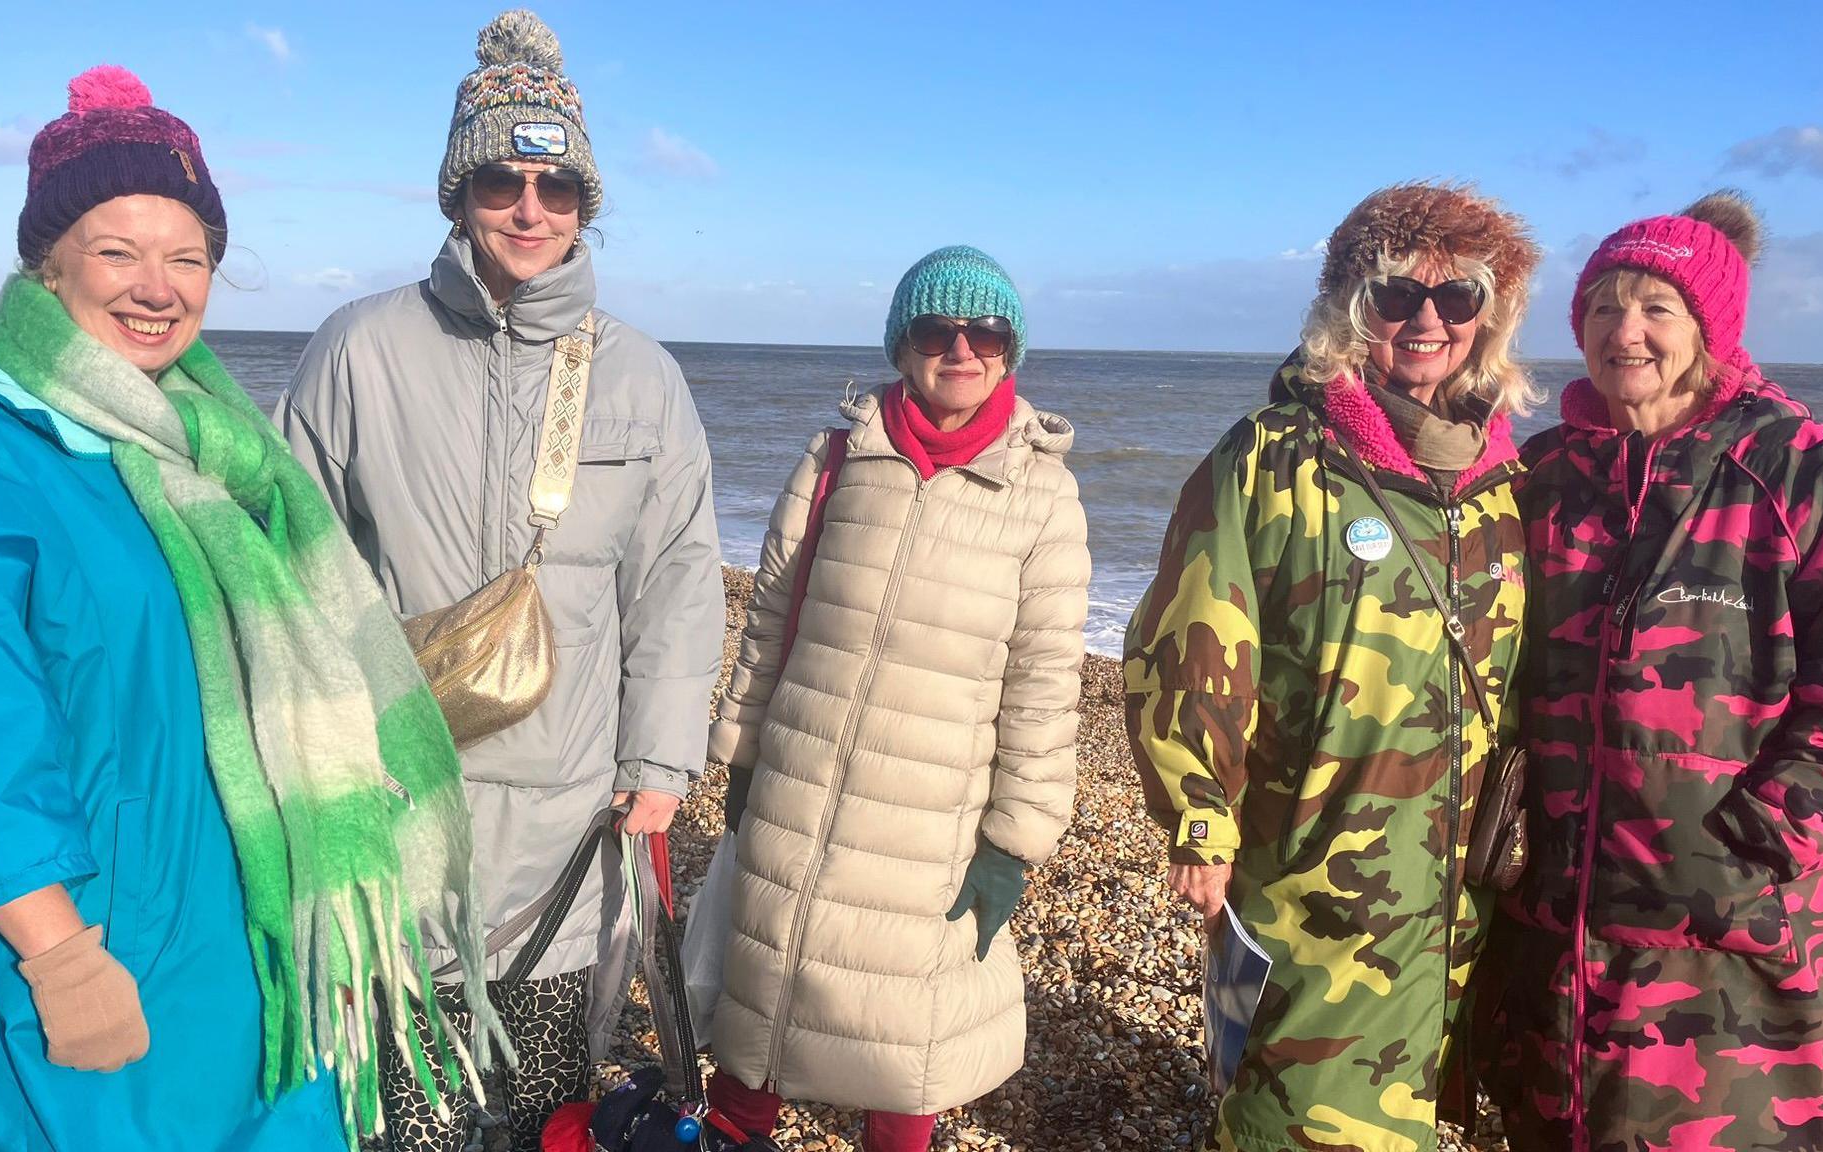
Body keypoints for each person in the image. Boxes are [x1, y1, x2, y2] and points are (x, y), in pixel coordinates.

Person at [0, 66, 496, 1151]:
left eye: (188, 257)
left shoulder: (206, 450)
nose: (158, 286)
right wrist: (58, 955)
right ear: (50, 267)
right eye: (118, 250)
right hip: (55, 944)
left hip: (224, 931)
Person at [275, 10, 724, 1150]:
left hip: (570, 829)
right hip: (395, 816)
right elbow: (290, 567)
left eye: (556, 187)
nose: (529, 210)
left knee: (538, 1116)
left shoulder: (643, 376)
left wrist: (660, 760)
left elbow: (676, 581)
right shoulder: (358, 347)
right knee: (398, 1124)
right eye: (500, 181)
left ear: (585, 206)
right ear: (456, 194)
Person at [1123, 183, 1538, 1152]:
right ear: (1351, 310)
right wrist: (1197, 815)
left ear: (1491, 316)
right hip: (1308, 883)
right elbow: (1187, 640)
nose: (1425, 320)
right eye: (1395, 295)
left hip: (1453, 908)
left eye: (1458, 296)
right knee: (1284, 1122)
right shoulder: (1271, 458)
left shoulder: (1507, 486)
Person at [1479, 192, 1823, 1150]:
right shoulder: (1550, 474)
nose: (1626, 331)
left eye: (1657, 307)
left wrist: (1756, 848)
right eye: (1604, 306)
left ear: (1710, 328)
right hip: (1564, 919)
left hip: (1738, 935)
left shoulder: (1799, 469)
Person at [704, 245, 1089, 1152]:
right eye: (936, 329)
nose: (963, 349)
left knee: (902, 1051)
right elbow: (769, 620)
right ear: (900, 343)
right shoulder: (835, 459)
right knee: (756, 1014)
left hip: (930, 823)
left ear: (1010, 348)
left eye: (986, 332)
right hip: (797, 787)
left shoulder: (1043, 497)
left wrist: (1015, 841)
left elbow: (1044, 686)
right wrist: (743, 754)